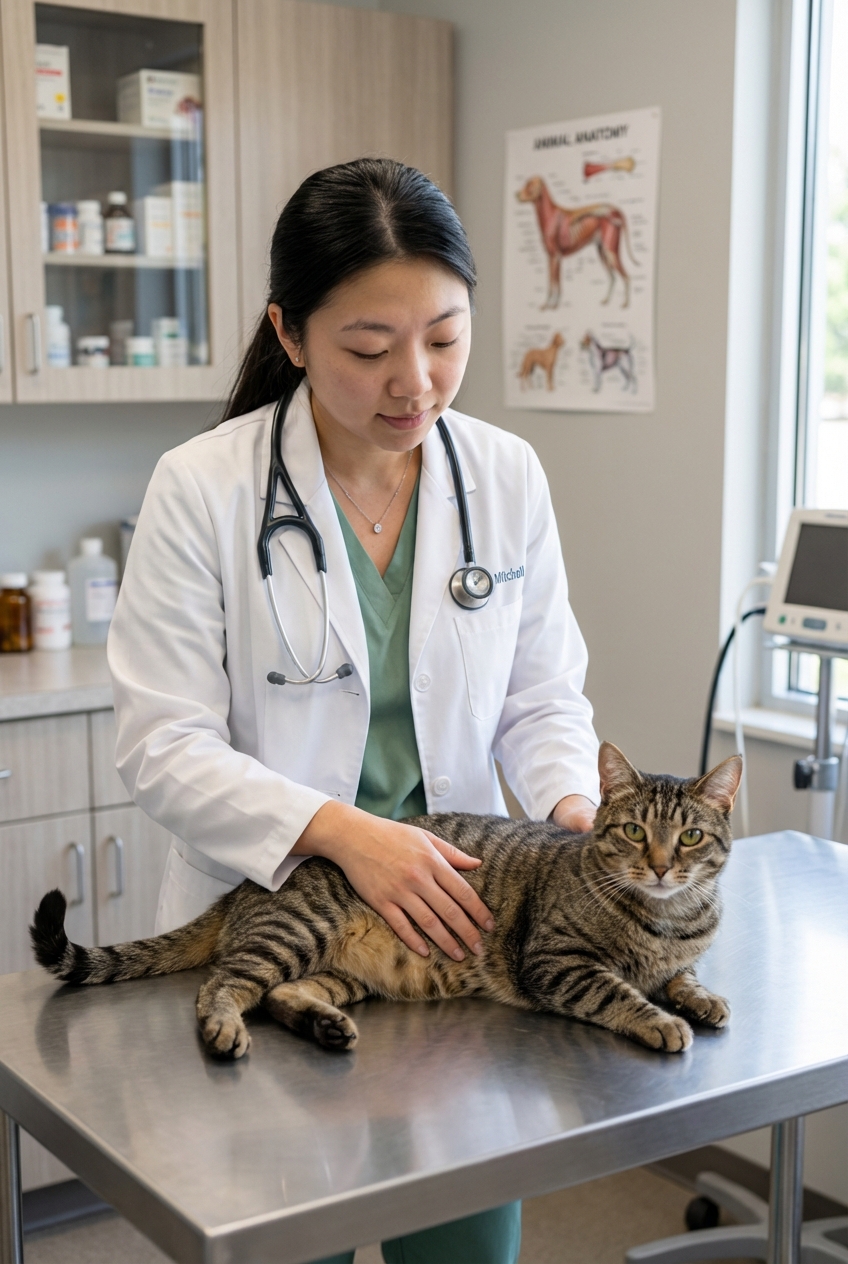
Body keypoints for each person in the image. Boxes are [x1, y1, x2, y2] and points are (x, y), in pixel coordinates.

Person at [109, 157, 600, 1264]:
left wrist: (569, 806)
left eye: (444, 336)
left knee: (464, 1246)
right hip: (274, 926)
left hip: (451, 942)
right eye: (369, 349)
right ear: (288, 334)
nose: (415, 383)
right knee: (289, 1229)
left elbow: (538, 690)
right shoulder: (205, 489)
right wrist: (344, 835)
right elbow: (160, 742)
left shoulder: (505, 476)